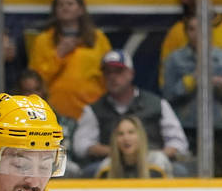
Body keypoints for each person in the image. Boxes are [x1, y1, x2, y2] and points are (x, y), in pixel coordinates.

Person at [73, 49, 188, 178]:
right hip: (112, 162)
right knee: (90, 171)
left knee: (179, 170)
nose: (112, 77)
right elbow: (81, 145)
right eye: (108, 72)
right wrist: (118, 153)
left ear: (131, 74)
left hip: (153, 161)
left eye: (118, 71)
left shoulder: (157, 104)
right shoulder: (94, 109)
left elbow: (178, 143)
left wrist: (151, 156)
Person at [161, 15, 222, 177]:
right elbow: (167, 95)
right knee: (188, 172)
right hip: (187, 127)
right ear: (186, 32)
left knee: (221, 173)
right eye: (191, 29)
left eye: (202, 28)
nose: (197, 33)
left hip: (217, 126)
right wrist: (192, 79)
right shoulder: (175, 59)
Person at [28, 0, 111, 123]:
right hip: (54, 112)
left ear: (81, 9)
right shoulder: (43, 40)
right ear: (55, 10)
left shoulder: (98, 39)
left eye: (70, 4)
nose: (65, 8)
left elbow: (108, 76)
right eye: (60, 4)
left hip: (91, 112)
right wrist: (58, 55)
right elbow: (34, 81)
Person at [95, 115, 172, 178]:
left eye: (131, 132)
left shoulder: (157, 162)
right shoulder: (106, 167)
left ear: (141, 136)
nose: (126, 138)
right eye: (120, 134)